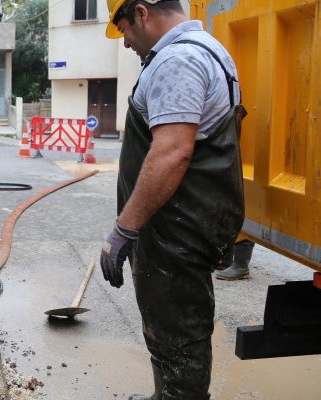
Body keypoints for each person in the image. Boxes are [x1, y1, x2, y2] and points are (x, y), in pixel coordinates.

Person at [99, 1, 246, 399]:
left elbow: (172, 152)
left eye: (125, 29)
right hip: (181, 220)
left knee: (179, 338)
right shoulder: (206, 49)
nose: (126, 42)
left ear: (142, 12)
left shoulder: (177, 61)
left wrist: (123, 229)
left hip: (176, 228)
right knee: (171, 330)